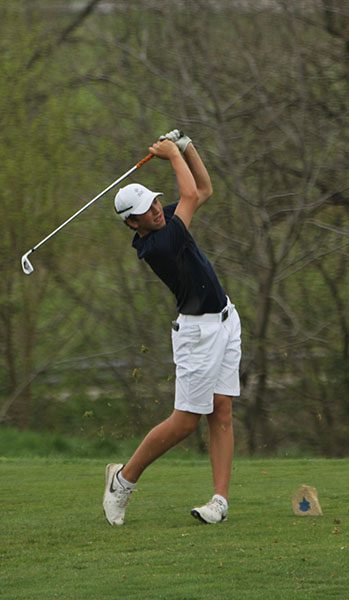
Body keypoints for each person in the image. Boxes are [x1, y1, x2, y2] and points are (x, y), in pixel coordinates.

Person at [103, 130, 242, 526]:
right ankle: (123, 481)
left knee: (223, 411)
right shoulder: (158, 244)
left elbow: (204, 188)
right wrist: (170, 155)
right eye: (147, 211)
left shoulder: (166, 224)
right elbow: (194, 195)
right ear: (133, 224)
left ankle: (219, 501)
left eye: (156, 201)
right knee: (185, 421)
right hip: (197, 333)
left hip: (225, 321)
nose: (157, 210)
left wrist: (187, 149)